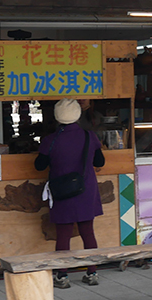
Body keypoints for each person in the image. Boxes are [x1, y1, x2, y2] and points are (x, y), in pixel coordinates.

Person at [35, 98, 105, 288]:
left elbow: (39, 165)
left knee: (63, 235)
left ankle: (62, 276)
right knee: (88, 232)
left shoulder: (50, 140)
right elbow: (100, 162)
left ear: (57, 117)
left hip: (62, 192)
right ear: (78, 115)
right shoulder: (90, 136)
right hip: (85, 190)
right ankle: (92, 273)